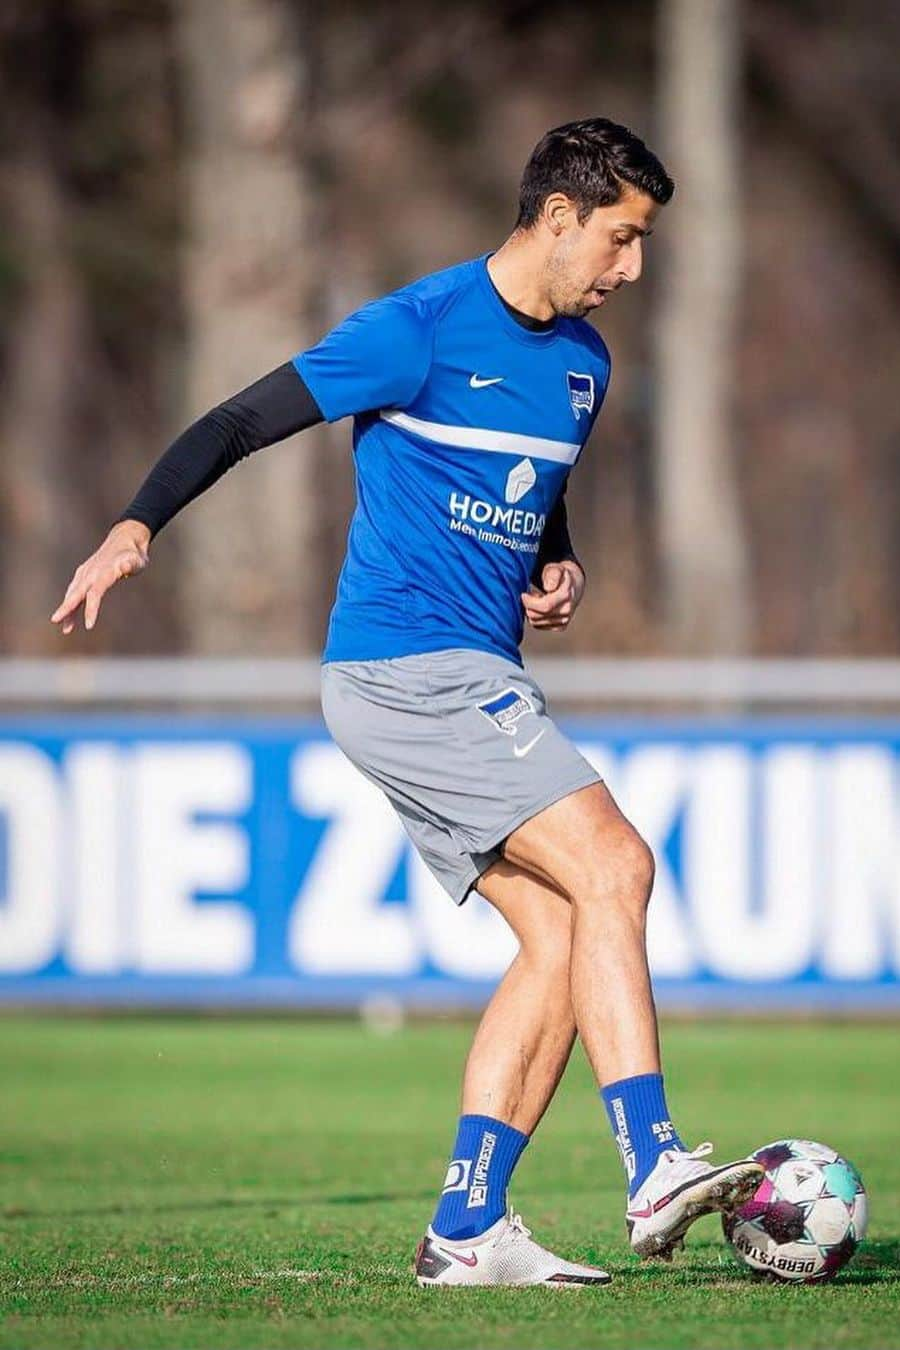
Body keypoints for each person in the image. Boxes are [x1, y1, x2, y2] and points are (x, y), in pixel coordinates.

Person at [51, 117, 762, 1288]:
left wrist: (557, 558)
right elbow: (237, 420)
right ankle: (652, 1164)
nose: (632, 268)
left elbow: (538, 485)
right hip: (406, 666)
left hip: (472, 669)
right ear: (557, 217)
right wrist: (137, 525)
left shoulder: (586, 364)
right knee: (618, 868)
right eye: (623, 240)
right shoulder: (415, 330)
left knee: (563, 934)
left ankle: (467, 1228)